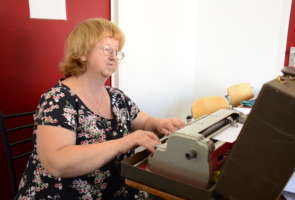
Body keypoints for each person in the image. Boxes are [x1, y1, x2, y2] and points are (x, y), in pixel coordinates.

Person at [16, 18, 185, 200]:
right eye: (107, 50)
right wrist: (122, 143)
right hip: (60, 194)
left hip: (110, 191)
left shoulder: (116, 96)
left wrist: (161, 123)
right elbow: (57, 163)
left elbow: (144, 121)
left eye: (117, 52)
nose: (114, 57)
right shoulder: (58, 99)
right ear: (82, 53)